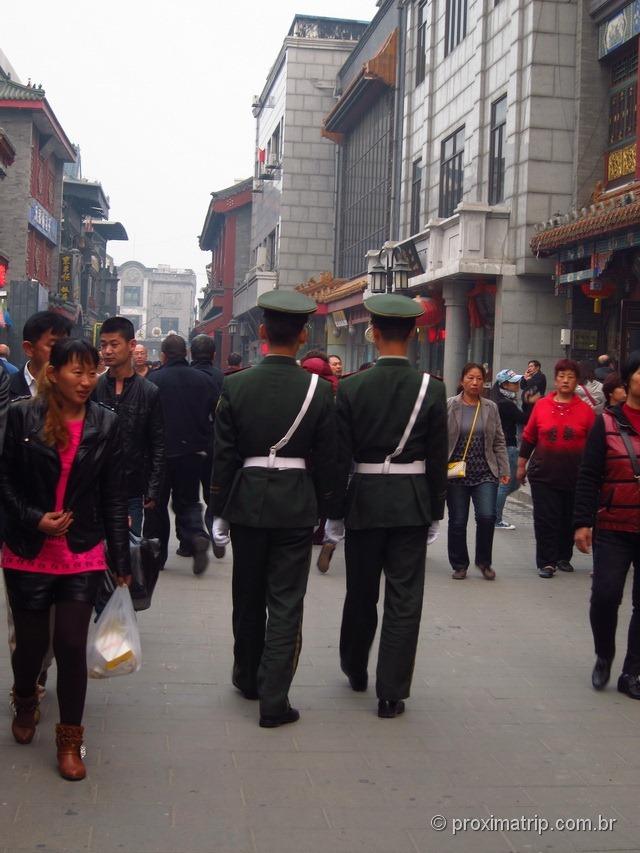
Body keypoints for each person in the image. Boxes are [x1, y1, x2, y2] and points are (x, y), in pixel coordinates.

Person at [0, 339, 130, 781]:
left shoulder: (106, 424)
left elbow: (113, 494)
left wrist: (121, 559)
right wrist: (36, 520)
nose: (87, 381)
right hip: (27, 549)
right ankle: (25, 696)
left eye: (92, 372)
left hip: (83, 549)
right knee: (33, 647)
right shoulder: (21, 416)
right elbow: (6, 483)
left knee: (73, 644)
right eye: (77, 372)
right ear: (53, 373)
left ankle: (70, 741)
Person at [211, 289, 336, 728]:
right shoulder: (320, 391)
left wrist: (218, 509)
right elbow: (329, 458)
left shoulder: (235, 384)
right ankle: (275, 698)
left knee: (246, 594)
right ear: (303, 336)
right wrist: (323, 509)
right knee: (286, 601)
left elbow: (223, 454)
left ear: (261, 332)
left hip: (245, 500)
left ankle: (247, 676)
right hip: (296, 503)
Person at [329, 294, 447, 719]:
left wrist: (335, 511)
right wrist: (436, 508)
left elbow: (339, 456)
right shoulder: (432, 389)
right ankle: (391, 691)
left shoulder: (353, 387)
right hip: (412, 502)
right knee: (404, 597)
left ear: (373, 333)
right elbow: (437, 456)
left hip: (363, 500)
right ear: (413, 334)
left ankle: (355, 667)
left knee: (360, 591)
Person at [574, 354, 640, 700]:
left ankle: (633, 672)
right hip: (613, 525)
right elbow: (588, 474)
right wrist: (583, 522)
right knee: (605, 597)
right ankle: (604, 654)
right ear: (627, 380)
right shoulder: (606, 423)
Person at [517, 359, 596, 578]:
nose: (565, 380)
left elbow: (593, 446)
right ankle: (547, 561)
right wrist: (521, 464)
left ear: (576, 381)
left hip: (575, 475)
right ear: (555, 379)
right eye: (562, 376)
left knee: (568, 518)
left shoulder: (586, 411)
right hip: (544, 473)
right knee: (545, 518)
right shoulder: (542, 405)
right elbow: (529, 436)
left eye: (570, 377)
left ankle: (563, 556)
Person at [147, 334, 217, 575]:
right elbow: (214, 415)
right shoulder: (204, 380)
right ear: (186, 353)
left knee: (156, 505)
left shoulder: (154, 380)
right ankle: (197, 536)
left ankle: (157, 555)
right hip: (194, 450)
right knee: (188, 500)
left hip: (161, 452)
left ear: (163, 356)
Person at [95, 317, 165, 537]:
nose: (107, 351)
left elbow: (158, 443)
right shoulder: (94, 388)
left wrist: (153, 489)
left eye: (114, 344)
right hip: (95, 487)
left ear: (131, 345)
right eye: (103, 345)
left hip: (132, 488)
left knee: (128, 555)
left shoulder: (149, 391)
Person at [446, 363, 510, 580]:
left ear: (484, 382)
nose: (475, 382)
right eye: (470, 378)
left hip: (485, 472)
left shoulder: (491, 407)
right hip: (456, 473)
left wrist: (503, 468)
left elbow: (499, 440)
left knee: (487, 516)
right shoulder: (450, 406)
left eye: (479, 379)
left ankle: (484, 562)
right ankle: (459, 564)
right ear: (462, 380)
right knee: (457, 521)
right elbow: (439, 440)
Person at [189, 334, 224, 540]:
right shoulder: (220, 377)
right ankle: (213, 528)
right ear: (213, 354)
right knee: (212, 490)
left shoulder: (187, 375)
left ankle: (192, 536)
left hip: (189, 443)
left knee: (190, 494)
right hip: (214, 442)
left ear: (191, 353)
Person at [490, 368, 531, 530]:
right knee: (507, 483)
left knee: (509, 483)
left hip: (504, 446)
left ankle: (492, 512)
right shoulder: (506, 404)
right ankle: (496, 518)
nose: (517, 385)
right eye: (514, 383)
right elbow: (525, 419)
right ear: (505, 384)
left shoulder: (499, 401)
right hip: (508, 446)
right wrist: (530, 403)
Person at [9, 311, 72, 400]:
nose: (62, 351)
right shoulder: (5, 388)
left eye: (66, 344)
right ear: (29, 349)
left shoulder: (76, 388)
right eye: (53, 345)